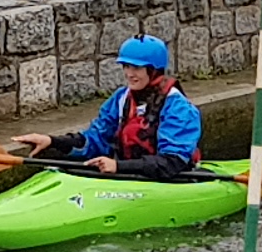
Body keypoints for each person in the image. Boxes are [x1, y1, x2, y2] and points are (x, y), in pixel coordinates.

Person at [53, 35, 205, 178]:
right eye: (126, 66)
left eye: (136, 68)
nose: (129, 74)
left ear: (153, 71)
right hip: (128, 175)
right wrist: (54, 142)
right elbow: (96, 139)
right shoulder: (121, 98)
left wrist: (118, 166)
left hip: (171, 179)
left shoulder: (179, 108)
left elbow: (171, 162)